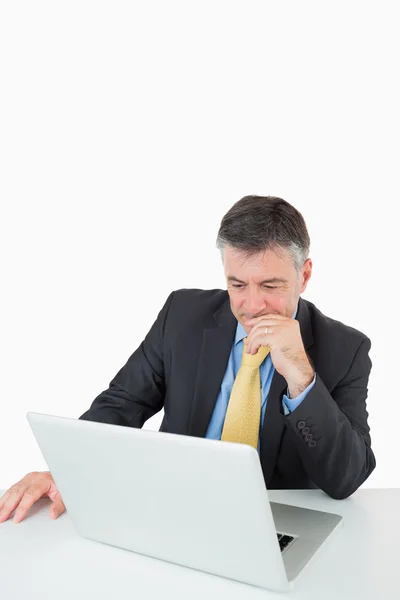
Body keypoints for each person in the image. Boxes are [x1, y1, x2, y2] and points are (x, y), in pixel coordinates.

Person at [0, 195, 376, 525]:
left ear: (304, 274)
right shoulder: (182, 314)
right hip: (174, 512)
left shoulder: (345, 349)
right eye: (238, 284)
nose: (253, 306)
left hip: (274, 521)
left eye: (271, 286)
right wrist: (67, 470)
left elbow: (345, 479)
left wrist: (301, 377)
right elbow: (122, 404)